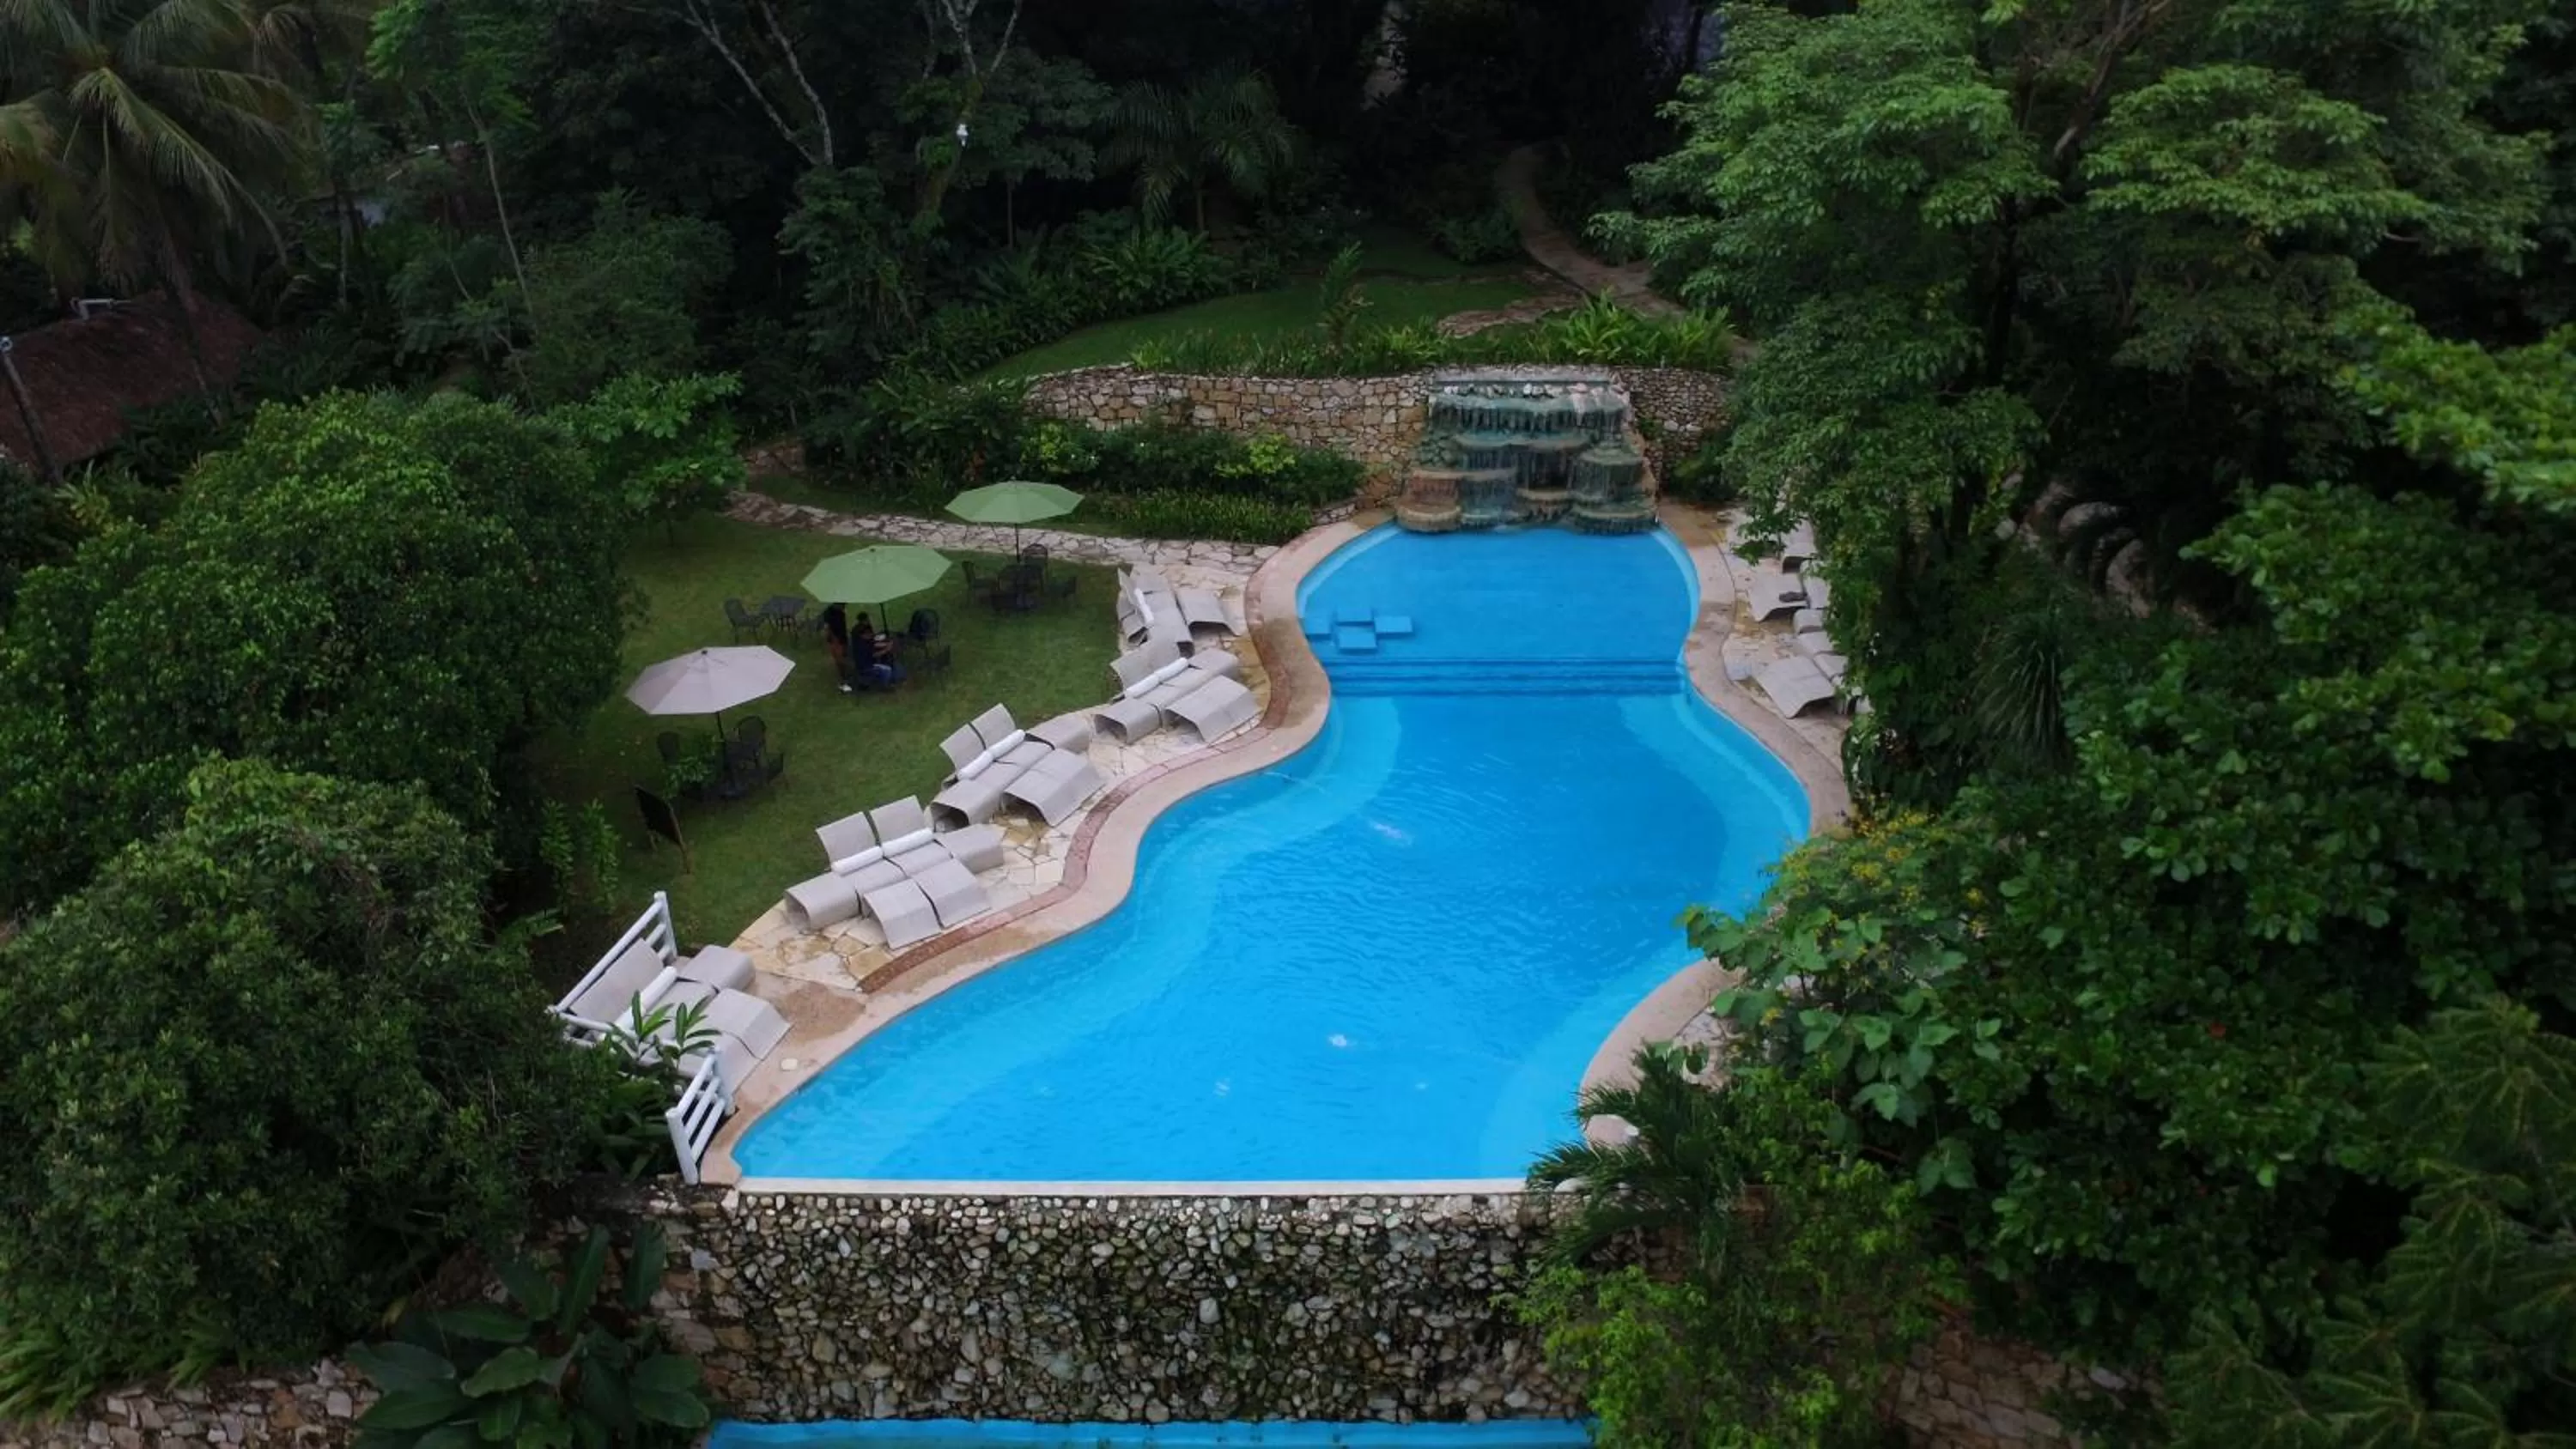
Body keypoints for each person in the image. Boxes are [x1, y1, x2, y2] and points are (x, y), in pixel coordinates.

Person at [851, 612, 902, 687]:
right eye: (868, 634)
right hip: (867, 667)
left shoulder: (864, 641)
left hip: (867, 662)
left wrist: (886, 645)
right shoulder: (862, 646)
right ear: (863, 635)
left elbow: (873, 644)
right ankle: (885, 686)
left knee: (885, 659)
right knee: (887, 670)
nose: (871, 635)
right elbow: (874, 655)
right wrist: (886, 649)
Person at [823, 603, 853, 692]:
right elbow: (827, 628)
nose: (844, 606)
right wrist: (834, 640)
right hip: (835, 640)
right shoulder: (829, 613)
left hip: (842, 638)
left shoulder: (841, 613)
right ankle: (843, 680)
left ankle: (846, 676)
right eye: (843, 605)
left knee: (844, 657)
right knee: (840, 660)